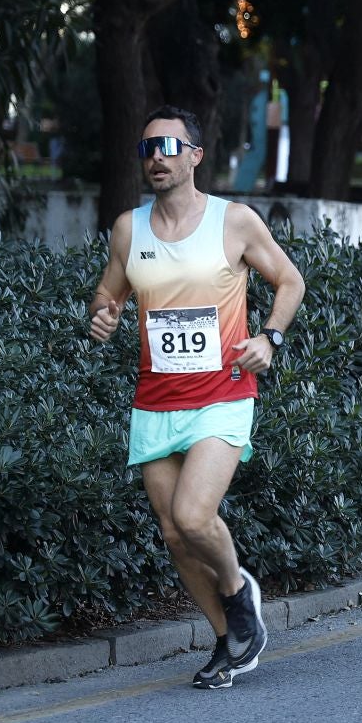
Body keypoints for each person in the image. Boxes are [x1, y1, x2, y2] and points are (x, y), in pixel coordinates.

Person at [88, 106, 306, 690]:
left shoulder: (233, 222)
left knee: (193, 514)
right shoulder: (128, 229)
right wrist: (102, 316)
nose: (155, 157)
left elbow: (290, 280)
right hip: (155, 401)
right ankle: (230, 639)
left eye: (167, 146)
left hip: (223, 394)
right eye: (146, 149)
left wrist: (270, 337)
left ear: (195, 156)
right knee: (171, 531)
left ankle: (238, 593)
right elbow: (107, 294)